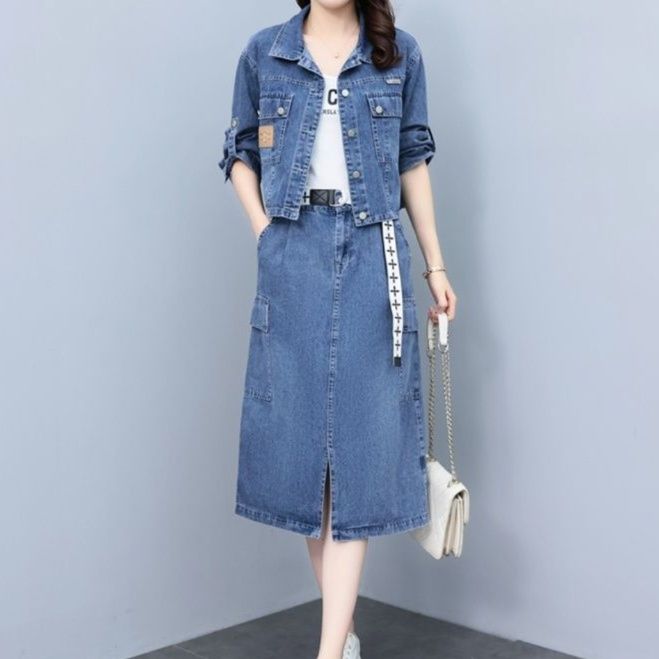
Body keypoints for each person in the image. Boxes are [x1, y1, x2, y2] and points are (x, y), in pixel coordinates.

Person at [218, 1, 457, 657]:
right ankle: (343, 636)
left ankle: (329, 652)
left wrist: (435, 264)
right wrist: (265, 233)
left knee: (359, 454)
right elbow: (238, 150)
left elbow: (412, 159)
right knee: (305, 463)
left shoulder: (397, 53)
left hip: (372, 251)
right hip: (292, 250)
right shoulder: (265, 52)